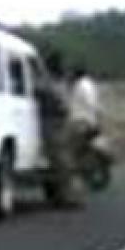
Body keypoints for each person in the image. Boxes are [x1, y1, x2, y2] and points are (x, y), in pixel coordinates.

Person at [36, 52, 81, 209]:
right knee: (61, 161)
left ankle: (61, 195)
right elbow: (47, 96)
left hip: (59, 122)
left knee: (62, 160)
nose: (63, 67)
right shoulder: (47, 82)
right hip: (52, 121)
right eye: (60, 64)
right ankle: (64, 197)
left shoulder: (57, 81)